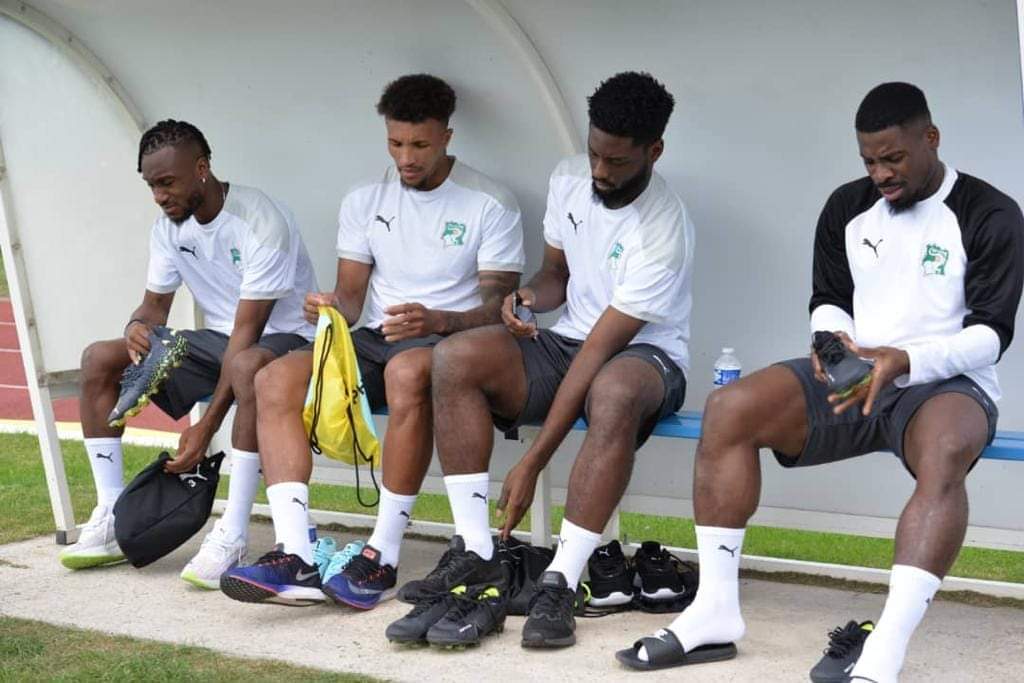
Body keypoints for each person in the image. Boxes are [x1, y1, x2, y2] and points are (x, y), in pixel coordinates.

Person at [618, 82, 1023, 682]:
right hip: (856, 378)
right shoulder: (847, 207)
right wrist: (834, 346)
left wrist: (903, 359)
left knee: (944, 451)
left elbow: (991, 333)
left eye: (893, 159)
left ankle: (885, 647)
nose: (880, 175)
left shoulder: (989, 212)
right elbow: (829, 298)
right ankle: (715, 612)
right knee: (730, 408)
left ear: (931, 139)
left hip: (946, 385)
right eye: (869, 161)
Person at [401, 71, 693, 648]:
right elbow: (556, 275)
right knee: (454, 357)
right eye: (594, 153)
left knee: (614, 392)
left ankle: (561, 580)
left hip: (645, 356)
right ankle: (476, 552)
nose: (599, 171)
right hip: (570, 341)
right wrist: (527, 298)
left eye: (617, 161)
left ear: (654, 151)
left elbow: (601, 351)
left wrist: (533, 461)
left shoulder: (665, 230)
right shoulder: (568, 178)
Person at [219, 73, 524, 608]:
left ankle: (381, 553)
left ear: (447, 137)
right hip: (372, 340)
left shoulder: (489, 202)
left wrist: (436, 320)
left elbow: (497, 309)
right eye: (395, 143)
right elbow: (352, 301)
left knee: (407, 372)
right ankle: (296, 554)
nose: (406, 158)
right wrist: (327, 306)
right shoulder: (364, 199)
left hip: (442, 343)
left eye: (420, 145)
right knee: (271, 380)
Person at [61, 120, 317, 587]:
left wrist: (206, 428)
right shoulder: (168, 227)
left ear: (201, 169)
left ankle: (233, 531)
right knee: (99, 357)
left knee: (247, 366)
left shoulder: (261, 221)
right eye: (151, 186)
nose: (159, 196)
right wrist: (136, 328)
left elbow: (248, 332)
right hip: (220, 340)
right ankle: (113, 515)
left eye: (167, 182)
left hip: (287, 340)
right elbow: (154, 307)